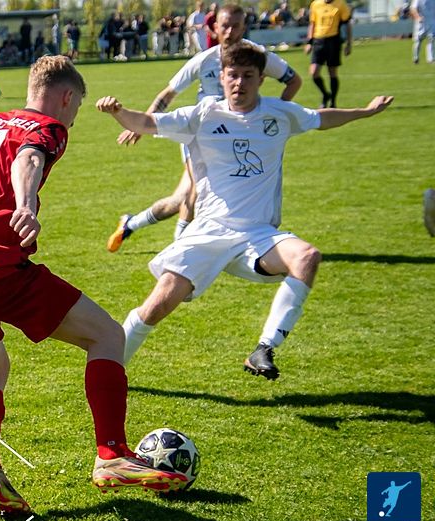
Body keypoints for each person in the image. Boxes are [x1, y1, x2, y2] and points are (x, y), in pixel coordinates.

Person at [0, 55, 189, 515]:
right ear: (66, 97)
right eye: (76, 107)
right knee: (107, 335)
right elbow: (28, 157)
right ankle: (111, 454)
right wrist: (25, 205)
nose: (73, 118)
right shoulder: (48, 127)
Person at [97, 42, 393, 380]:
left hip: (257, 235)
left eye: (248, 76)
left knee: (307, 257)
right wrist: (118, 112)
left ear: (261, 79)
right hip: (208, 232)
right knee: (157, 306)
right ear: (222, 78)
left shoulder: (279, 113)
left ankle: (263, 349)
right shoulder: (202, 114)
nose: (239, 83)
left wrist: (365, 112)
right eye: (233, 75)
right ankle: (108, 371)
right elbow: (148, 122)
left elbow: (321, 118)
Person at [108, 5, 302, 253]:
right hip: (201, 135)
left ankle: (131, 223)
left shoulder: (259, 57)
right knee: (195, 190)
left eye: (236, 26)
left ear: (244, 27)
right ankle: (180, 251)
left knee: (181, 198)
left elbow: (294, 80)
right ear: (215, 28)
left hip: (237, 137)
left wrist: (275, 115)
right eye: (225, 26)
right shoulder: (205, 60)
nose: (230, 32)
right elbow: (168, 94)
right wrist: (141, 124)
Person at [305, 0, 352, 107]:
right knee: (314, 72)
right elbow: (312, 24)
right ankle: (325, 95)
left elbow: (347, 24)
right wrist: (309, 42)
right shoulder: (315, 4)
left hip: (333, 41)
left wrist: (349, 44)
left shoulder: (341, 4)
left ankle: (333, 102)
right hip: (318, 41)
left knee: (332, 72)